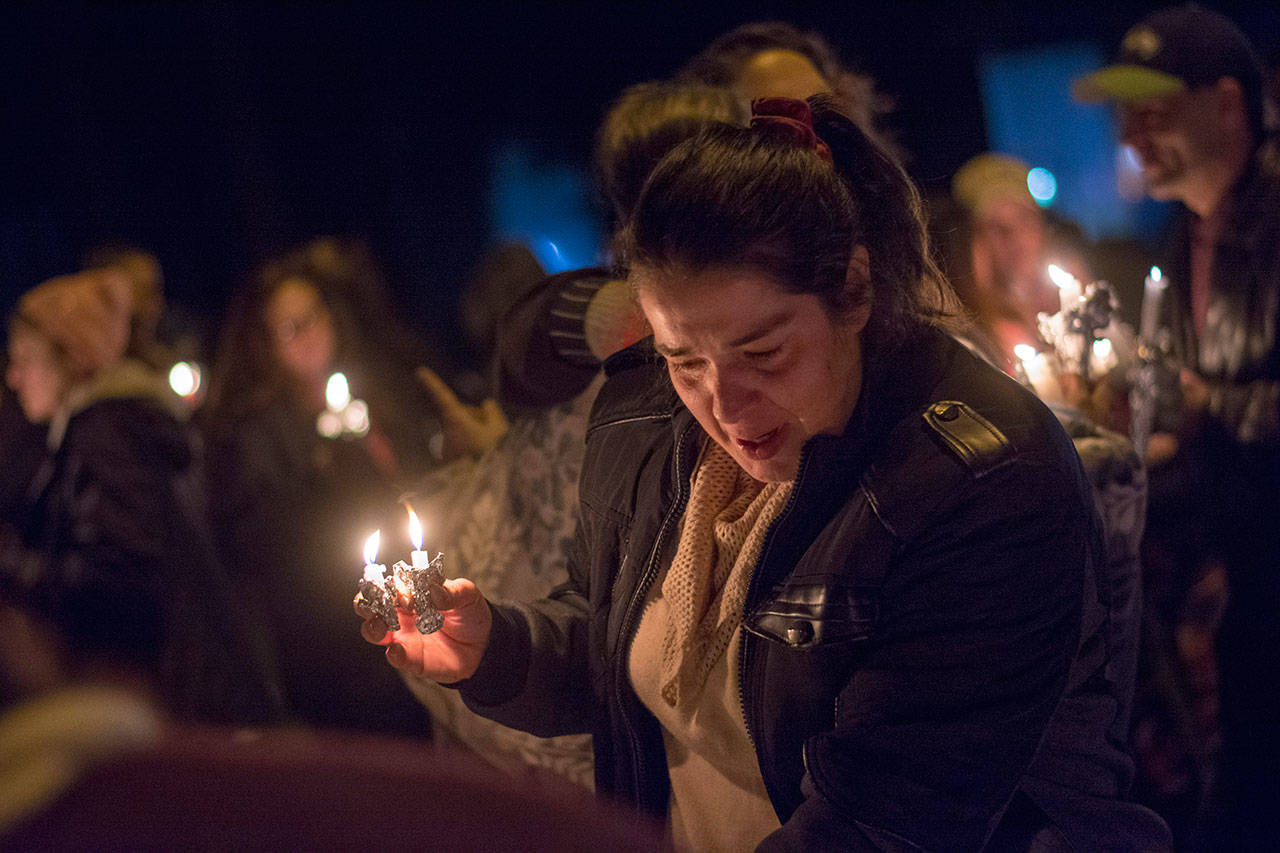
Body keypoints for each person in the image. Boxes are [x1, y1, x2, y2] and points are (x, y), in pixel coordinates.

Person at [358, 97, 1169, 849]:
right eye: (683, 358)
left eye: (763, 352)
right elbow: (619, 647)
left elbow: (887, 818)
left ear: (852, 289)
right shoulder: (648, 420)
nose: (723, 402)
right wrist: (494, 647)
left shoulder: (978, 480)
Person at [1075, 7, 1280, 848]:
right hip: (1244, 561)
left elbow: (1221, 396)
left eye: (1153, 110)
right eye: (1124, 113)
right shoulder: (1188, 226)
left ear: (1228, 106)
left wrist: (1205, 405)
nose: (1130, 133)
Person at [0, 270, 281, 726]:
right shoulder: (112, 427)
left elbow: (118, 575)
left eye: (24, 358)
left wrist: (11, 564)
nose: (14, 377)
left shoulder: (107, 435)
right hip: (191, 694)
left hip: (178, 705)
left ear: (71, 357)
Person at [202, 238, 440, 736]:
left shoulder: (373, 390)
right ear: (263, 345)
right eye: (289, 329)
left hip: (404, 621)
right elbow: (267, 545)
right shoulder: (257, 431)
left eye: (313, 317)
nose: (309, 335)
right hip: (329, 644)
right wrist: (329, 470)